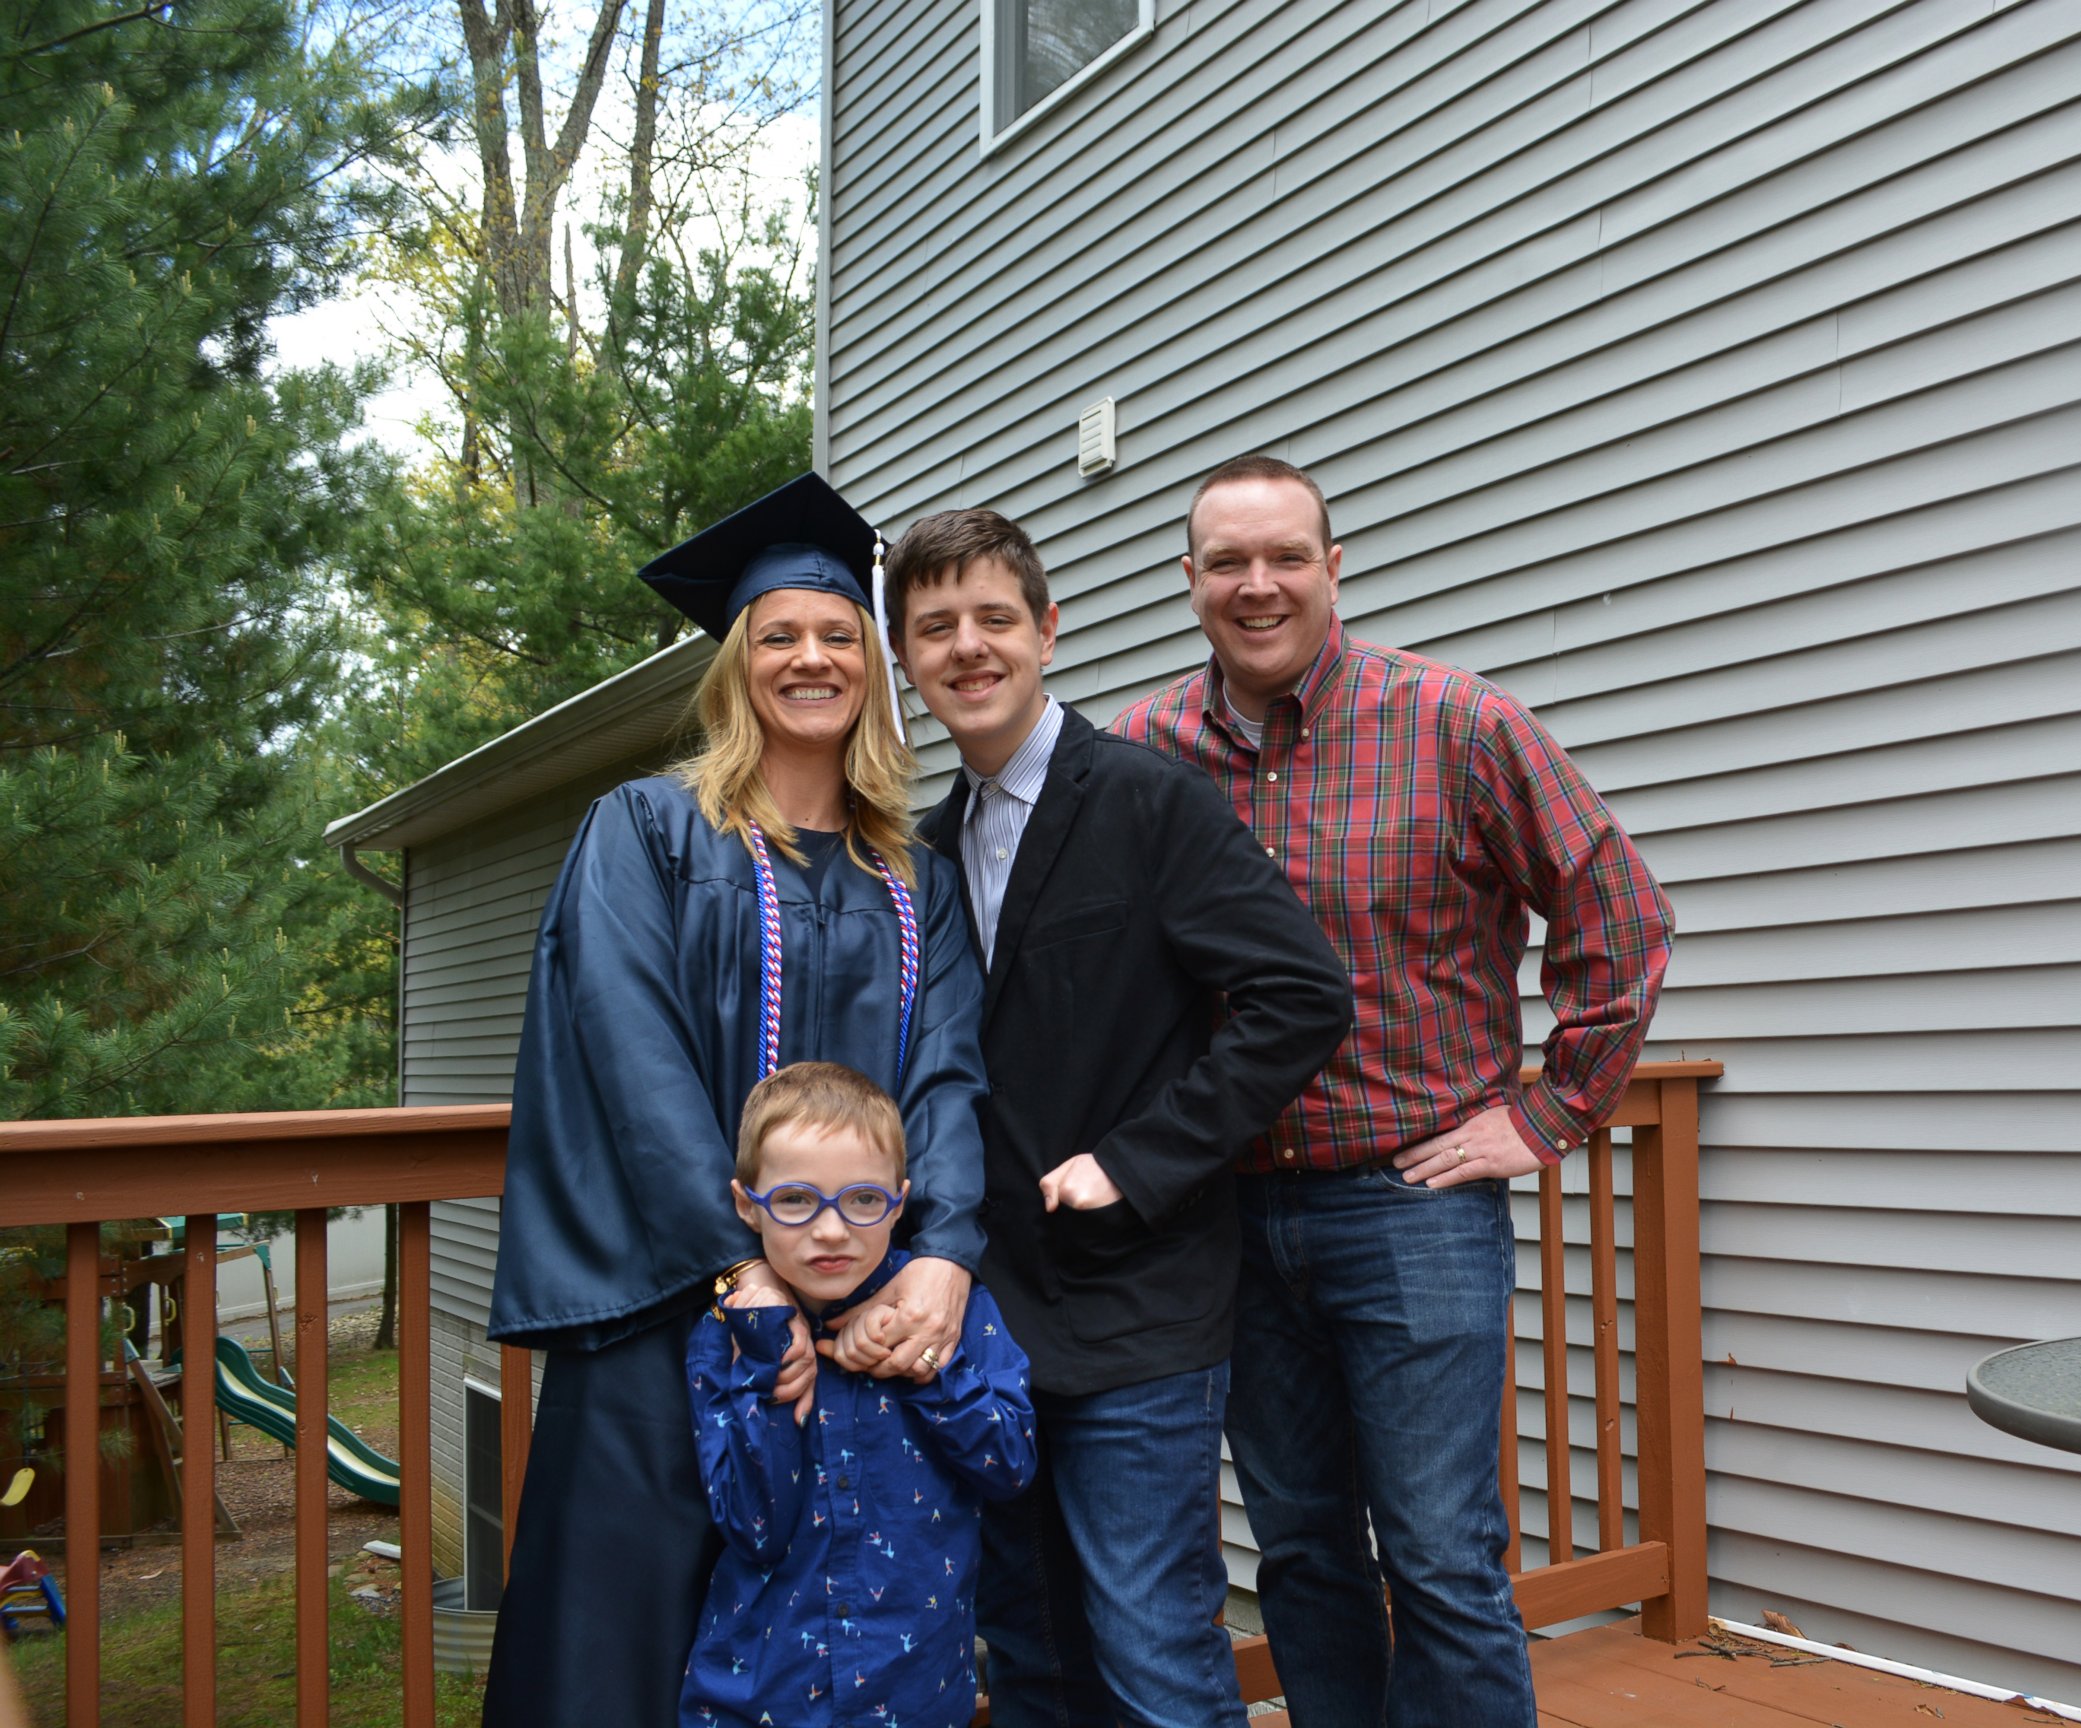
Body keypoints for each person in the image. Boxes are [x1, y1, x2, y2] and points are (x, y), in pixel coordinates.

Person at [1109, 455, 1676, 1727]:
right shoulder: (1142, 755)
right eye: (1228, 563)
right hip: (1229, 1220)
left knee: (1438, 1557)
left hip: (1411, 1209)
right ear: (1188, 581)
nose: (1259, 586)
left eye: (1286, 557)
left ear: (1333, 568)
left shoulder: (1457, 724)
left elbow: (1621, 918)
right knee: (1302, 1551)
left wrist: (1547, 1115)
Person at [483, 472, 989, 1728]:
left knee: (830, 1645)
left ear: (868, 667)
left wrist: (946, 1259)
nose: (810, 658)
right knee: (623, 1644)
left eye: (836, 635)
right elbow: (625, 1051)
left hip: (856, 1317)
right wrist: (734, 1267)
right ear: (737, 667)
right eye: (779, 637)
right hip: (672, 1309)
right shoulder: (647, 833)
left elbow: (950, 1073)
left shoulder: (916, 876)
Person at [880, 508, 1352, 1728]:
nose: (968, 648)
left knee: (1152, 1647)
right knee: (1030, 1647)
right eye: (936, 628)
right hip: (990, 1315)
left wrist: (1136, 1163)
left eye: (994, 618)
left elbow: (1302, 995)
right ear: (907, 661)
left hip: (1140, 1300)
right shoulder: (931, 850)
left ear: (1047, 629)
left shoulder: (1149, 802)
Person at [685, 1060, 1036, 1728]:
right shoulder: (724, 1338)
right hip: (762, 1695)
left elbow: (1010, 1463)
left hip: (915, 1694)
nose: (831, 1230)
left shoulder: (952, 1313)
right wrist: (767, 1369)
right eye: (794, 1199)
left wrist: (928, 1369)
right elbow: (752, 1526)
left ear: (899, 1202)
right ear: (744, 1204)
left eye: (863, 1200)